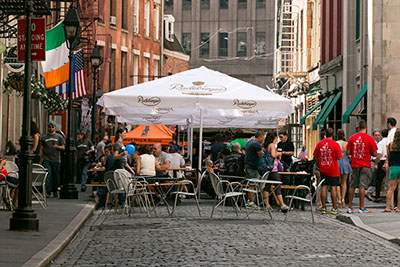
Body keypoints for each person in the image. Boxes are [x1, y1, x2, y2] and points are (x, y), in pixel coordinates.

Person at [347, 120, 377, 213]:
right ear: (365, 128)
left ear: (358, 128)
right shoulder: (369, 138)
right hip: (365, 164)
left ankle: (350, 207)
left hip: (355, 164)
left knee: (352, 185)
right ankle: (361, 207)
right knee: (362, 186)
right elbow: (375, 153)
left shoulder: (352, 138)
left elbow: (348, 152)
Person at [313, 128, 342, 215]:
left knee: (324, 187)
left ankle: (324, 207)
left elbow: (315, 156)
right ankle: (334, 207)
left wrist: (319, 164)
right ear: (333, 135)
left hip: (323, 168)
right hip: (333, 169)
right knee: (333, 187)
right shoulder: (335, 144)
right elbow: (339, 157)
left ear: (325, 134)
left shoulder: (320, 144)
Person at [263, 132, 289, 212]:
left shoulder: (266, 145)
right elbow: (273, 155)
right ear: (274, 138)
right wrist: (279, 153)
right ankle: (282, 204)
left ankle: (267, 205)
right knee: (278, 185)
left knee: (267, 187)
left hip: (268, 169)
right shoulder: (272, 145)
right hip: (273, 169)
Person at [41, 122, 65, 197]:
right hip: (46, 158)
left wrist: (57, 146)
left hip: (56, 159)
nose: (50, 128)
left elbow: (63, 147)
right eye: (49, 127)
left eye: (52, 127)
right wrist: (41, 157)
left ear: (55, 128)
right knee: (48, 175)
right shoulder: (44, 137)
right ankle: (48, 191)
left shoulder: (59, 137)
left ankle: (55, 190)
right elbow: (41, 148)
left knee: (55, 175)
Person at [244, 130, 265, 207]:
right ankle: (250, 201)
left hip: (248, 165)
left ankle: (250, 201)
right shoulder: (257, 144)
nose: (264, 139)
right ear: (260, 136)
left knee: (251, 183)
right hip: (253, 167)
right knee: (252, 184)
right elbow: (261, 155)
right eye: (263, 137)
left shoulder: (250, 142)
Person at [384, 129, 400, 212]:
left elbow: (388, 157)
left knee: (391, 188)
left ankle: (387, 207)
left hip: (393, 167)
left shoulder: (391, 145)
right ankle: (398, 207)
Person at [336, 129, 351, 208]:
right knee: (344, 182)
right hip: (345, 161)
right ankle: (343, 199)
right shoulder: (347, 143)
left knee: (337, 183)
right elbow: (349, 153)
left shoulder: (336, 143)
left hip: (338, 162)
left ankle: (338, 199)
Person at [375, 129, 388, 200]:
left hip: (382, 161)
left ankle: (377, 196)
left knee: (378, 180)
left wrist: (376, 163)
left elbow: (379, 154)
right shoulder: (389, 141)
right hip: (389, 160)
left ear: (381, 135)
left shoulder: (381, 143)